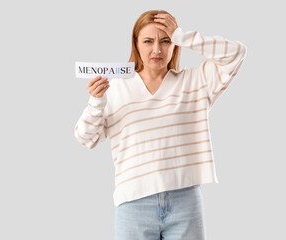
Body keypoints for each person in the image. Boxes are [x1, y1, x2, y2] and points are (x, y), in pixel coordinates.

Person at [74, 9, 247, 240]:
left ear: (174, 44)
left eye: (165, 41)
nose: (157, 49)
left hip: (185, 202)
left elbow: (236, 53)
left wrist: (183, 36)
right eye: (148, 41)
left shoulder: (195, 82)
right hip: (133, 204)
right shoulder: (115, 88)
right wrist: (96, 102)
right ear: (136, 44)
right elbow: (85, 138)